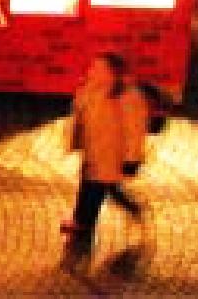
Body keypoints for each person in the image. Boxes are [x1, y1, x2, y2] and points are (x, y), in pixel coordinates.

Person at [62, 52, 147, 253]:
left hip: (111, 154)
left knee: (101, 188)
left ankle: (86, 223)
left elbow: (134, 130)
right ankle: (82, 221)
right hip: (93, 151)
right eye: (93, 67)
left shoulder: (128, 97)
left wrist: (131, 160)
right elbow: (80, 115)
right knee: (90, 185)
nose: (92, 71)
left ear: (112, 73)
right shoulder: (91, 90)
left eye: (99, 68)